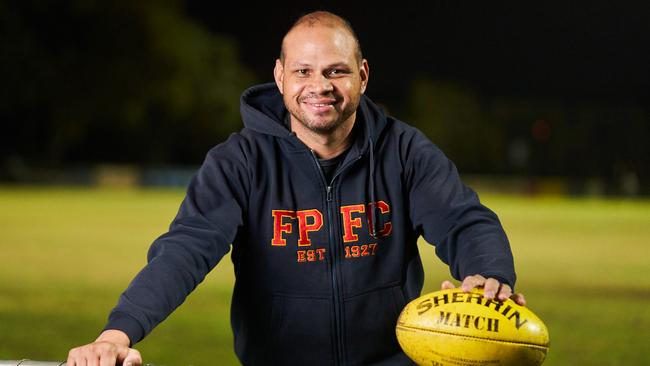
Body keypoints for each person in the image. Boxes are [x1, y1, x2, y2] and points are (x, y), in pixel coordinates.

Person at [67, 10, 525, 366]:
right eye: (303, 71)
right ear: (281, 76)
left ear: (362, 76)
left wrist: (489, 275)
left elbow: (465, 220)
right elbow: (185, 249)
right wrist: (117, 334)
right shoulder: (239, 162)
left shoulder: (403, 150)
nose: (319, 86)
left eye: (335, 71)